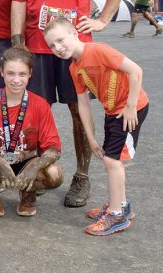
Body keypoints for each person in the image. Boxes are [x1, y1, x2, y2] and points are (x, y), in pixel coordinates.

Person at [10, 0, 127, 208]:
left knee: (80, 112)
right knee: (34, 113)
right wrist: (19, 43)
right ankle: (37, 172)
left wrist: (103, 19)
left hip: (76, 47)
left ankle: (82, 176)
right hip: (38, 46)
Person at [44, 18, 148, 236]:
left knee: (113, 160)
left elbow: (135, 71)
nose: (58, 48)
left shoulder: (98, 51)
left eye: (61, 40)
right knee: (111, 158)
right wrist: (91, 139)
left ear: (74, 33)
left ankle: (117, 214)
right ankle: (120, 204)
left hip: (131, 109)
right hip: (113, 111)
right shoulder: (74, 67)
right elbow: (83, 104)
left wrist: (130, 106)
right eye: (52, 45)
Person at [0, 47, 63, 217]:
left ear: (30, 73)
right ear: (2, 72)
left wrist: (33, 168)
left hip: (26, 161)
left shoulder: (40, 104)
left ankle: (28, 193)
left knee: (54, 174)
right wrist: (1, 163)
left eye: (22, 74)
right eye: (11, 73)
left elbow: (54, 147)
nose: (16, 80)